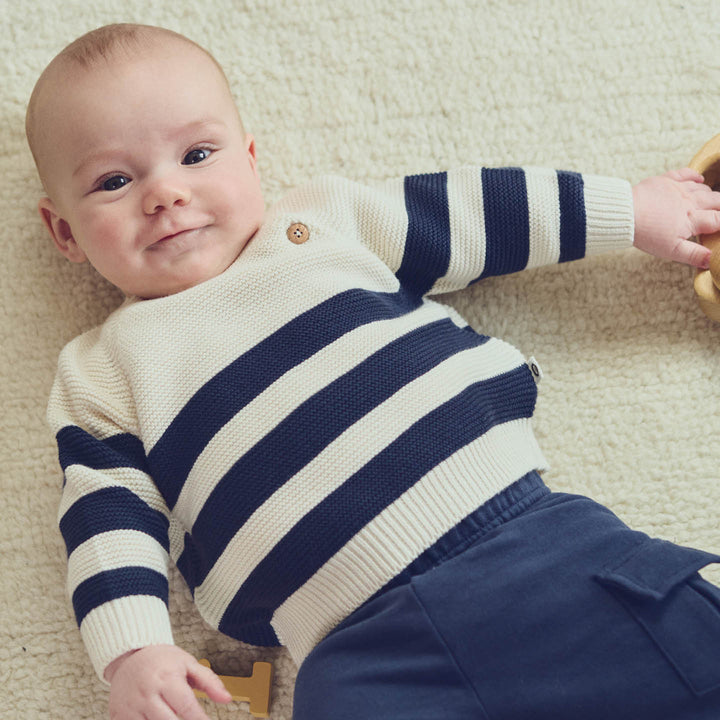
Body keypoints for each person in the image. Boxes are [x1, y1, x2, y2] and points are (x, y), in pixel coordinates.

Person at [26, 22, 720, 720]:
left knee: (680, 648)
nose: (165, 193)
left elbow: (472, 216)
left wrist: (626, 210)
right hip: (365, 659)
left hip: (538, 550)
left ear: (250, 159)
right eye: (115, 180)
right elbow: (104, 515)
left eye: (198, 154)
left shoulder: (317, 228)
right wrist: (132, 651)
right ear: (64, 232)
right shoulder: (99, 374)